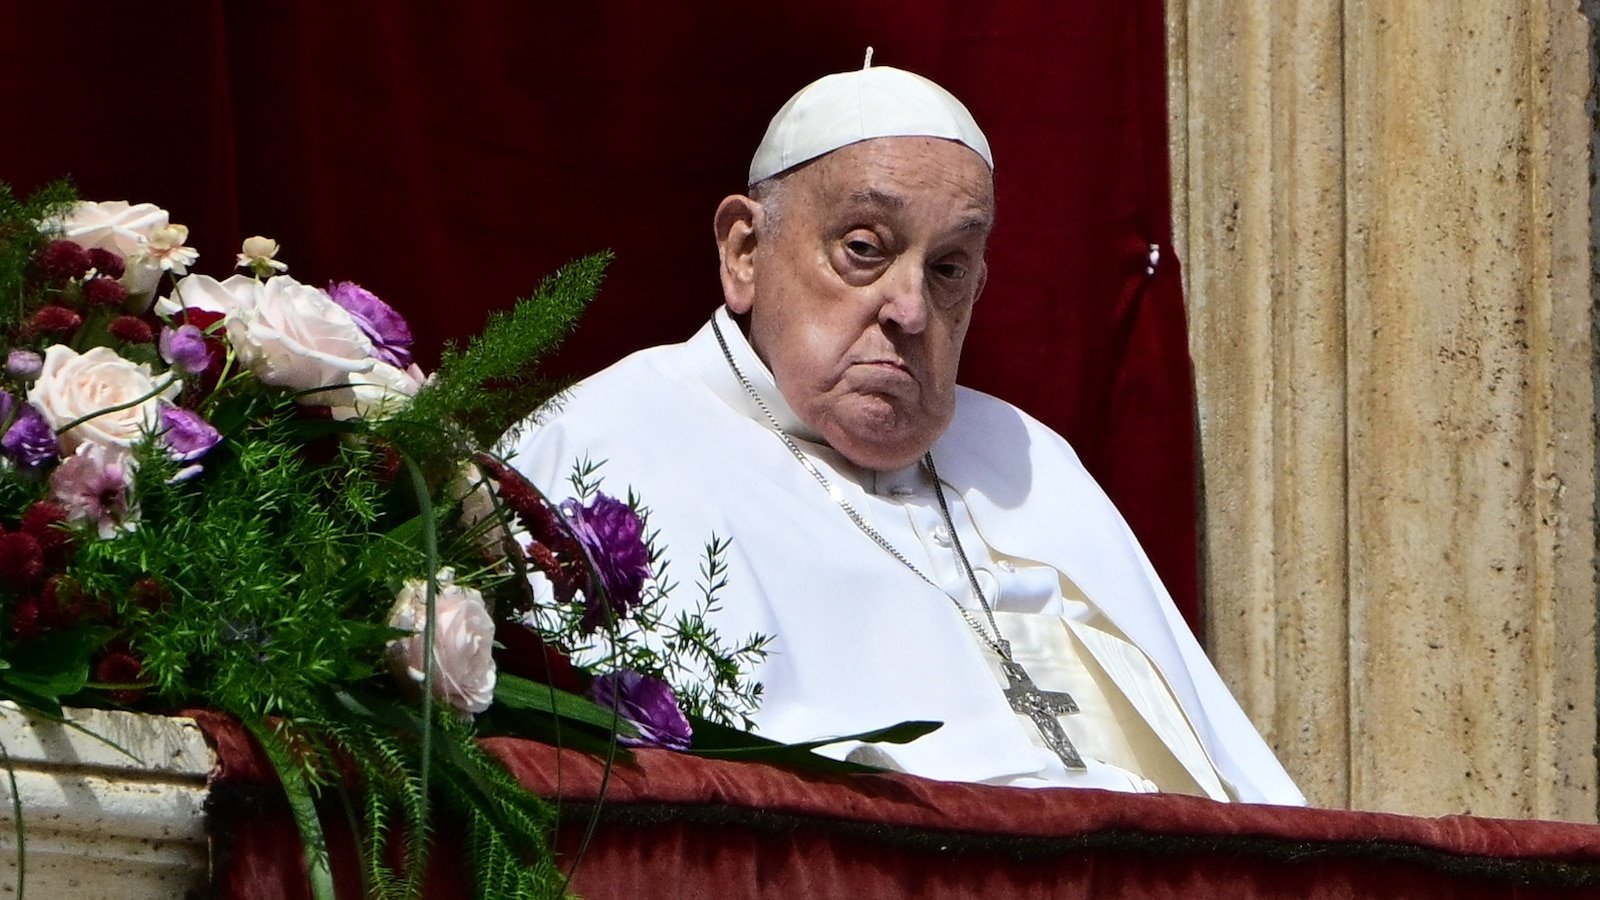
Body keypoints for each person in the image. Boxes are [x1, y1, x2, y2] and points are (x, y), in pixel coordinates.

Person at [503, 62, 1305, 805]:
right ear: (745, 251)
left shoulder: (1030, 460)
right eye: (864, 249)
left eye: (947, 268)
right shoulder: (604, 443)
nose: (910, 310)